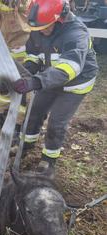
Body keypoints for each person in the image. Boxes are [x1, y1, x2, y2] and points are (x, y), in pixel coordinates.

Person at [8, 0, 98, 172]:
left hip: (76, 84)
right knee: (34, 111)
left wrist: (36, 82)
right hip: (49, 78)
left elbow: (68, 69)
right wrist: (28, 70)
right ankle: (26, 143)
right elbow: (34, 54)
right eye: (38, 28)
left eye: (46, 27)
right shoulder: (40, 28)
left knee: (56, 122)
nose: (41, 31)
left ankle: (49, 158)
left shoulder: (77, 33)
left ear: (60, 19)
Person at [0, 0, 30, 131]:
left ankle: (18, 124)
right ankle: (2, 117)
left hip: (20, 48)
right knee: (3, 86)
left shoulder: (24, 3)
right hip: (4, 47)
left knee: (20, 88)